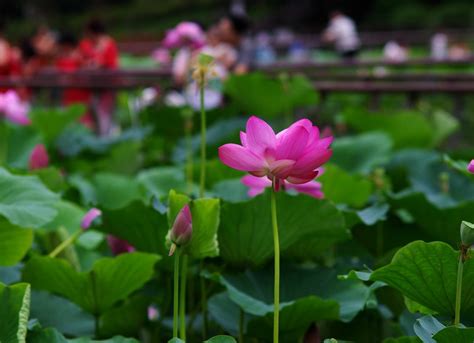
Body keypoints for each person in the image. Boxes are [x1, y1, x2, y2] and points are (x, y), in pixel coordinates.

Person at [79, 19, 119, 135]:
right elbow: (82, 61)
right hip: (90, 87)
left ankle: (105, 140)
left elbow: (110, 64)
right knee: (91, 117)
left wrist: (96, 63)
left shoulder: (109, 44)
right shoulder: (86, 44)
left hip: (107, 86)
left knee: (105, 117)